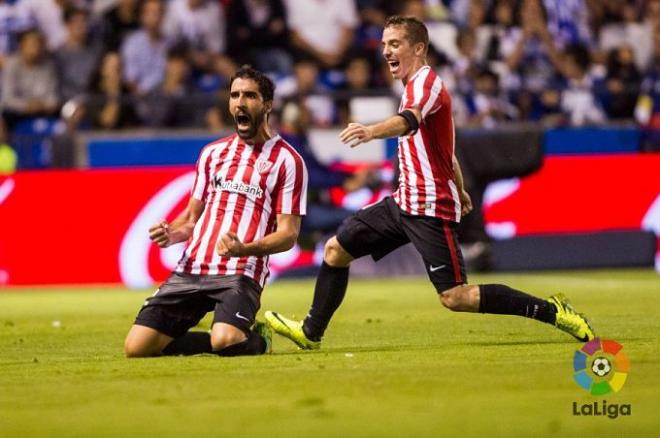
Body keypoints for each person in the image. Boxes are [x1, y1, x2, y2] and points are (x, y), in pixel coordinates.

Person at [265, 15, 595, 350]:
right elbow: (445, 151)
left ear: (419, 48)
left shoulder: (426, 83)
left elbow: (408, 122)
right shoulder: (411, 87)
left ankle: (552, 311)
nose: (385, 51)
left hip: (429, 208)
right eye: (383, 45)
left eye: (394, 44)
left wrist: (370, 131)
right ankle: (311, 333)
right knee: (336, 250)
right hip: (403, 202)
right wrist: (462, 188)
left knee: (456, 297)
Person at [123, 66, 308, 358]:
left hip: (240, 272)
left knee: (225, 341)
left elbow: (288, 235)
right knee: (137, 347)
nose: (240, 102)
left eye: (249, 95)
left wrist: (245, 248)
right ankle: (226, 336)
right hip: (192, 268)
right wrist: (173, 233)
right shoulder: (213, 154)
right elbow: (191, 220)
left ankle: (257, 339)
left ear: (268, 104)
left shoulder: (288, 161)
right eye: (235, 95)